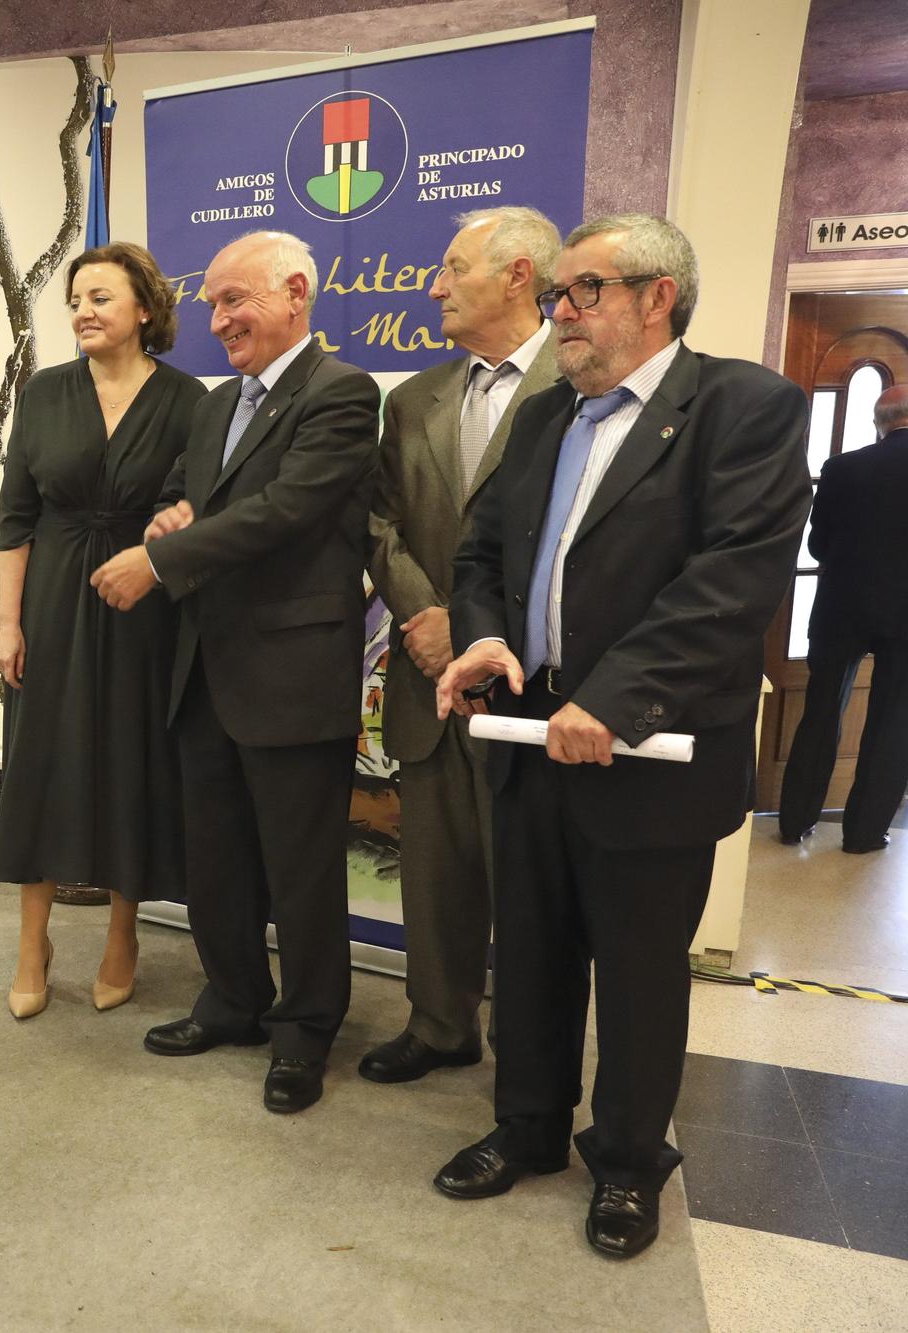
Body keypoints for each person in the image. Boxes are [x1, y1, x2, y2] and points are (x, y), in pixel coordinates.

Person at [433, 214, 810, 1259]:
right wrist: (483, 638)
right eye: (558, 292)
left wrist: (614, 696)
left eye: (583, 289)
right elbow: (478, 552)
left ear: (658, 297)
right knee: (534, 953)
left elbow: (732, 579)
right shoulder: (544, 416)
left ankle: (629, 1161)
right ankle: (526, 1127)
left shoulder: (743, 407)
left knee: (639, 977)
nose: (559, 311)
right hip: (527, 731)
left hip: (647, 753)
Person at [91, 230, 379, 1115]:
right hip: (206, 666)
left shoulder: (343, 393)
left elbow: (285, 512)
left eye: (233, 301)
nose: (216, 319)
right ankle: (231, 1000)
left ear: (296, 293)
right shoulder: (217, 405)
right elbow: (190, 492)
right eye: (212, 303)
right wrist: (173, 515)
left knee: (299, 870)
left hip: (291, 671)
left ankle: (304, 1031)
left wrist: (158, 562)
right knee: (215, 854)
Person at [362, 207, 562, 1084]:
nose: (433, 285)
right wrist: (426, 618)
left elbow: (580, 546)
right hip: (427, 678)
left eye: (452, 268)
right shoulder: (411, 400)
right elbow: (378, 525)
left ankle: (531, 1061)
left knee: (531, 891)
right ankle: (441, 1023)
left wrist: (475, 630)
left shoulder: (582, 387)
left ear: (518, 274)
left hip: (533, 688)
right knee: (435, 877)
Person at [0, 242, 207, 1019]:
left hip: (146, 605)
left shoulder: (190, 400)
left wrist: (177, 524)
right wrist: (6, 624)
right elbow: (16, 519)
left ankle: (123, 934)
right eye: (76, 298)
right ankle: (31, 942)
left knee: (131, 766)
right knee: (40, 767)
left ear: (144, 309)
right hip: (52, 603)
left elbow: (199, 511)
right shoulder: (44, 393)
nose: (83, 310)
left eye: (101, 297)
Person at [778, 385, 908, 853]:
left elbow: (816, 546)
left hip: (841, 607)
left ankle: (793, 821)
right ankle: (864, 833)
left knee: (821, 711)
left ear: (880, 422)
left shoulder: (842, 467)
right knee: (895, 722)